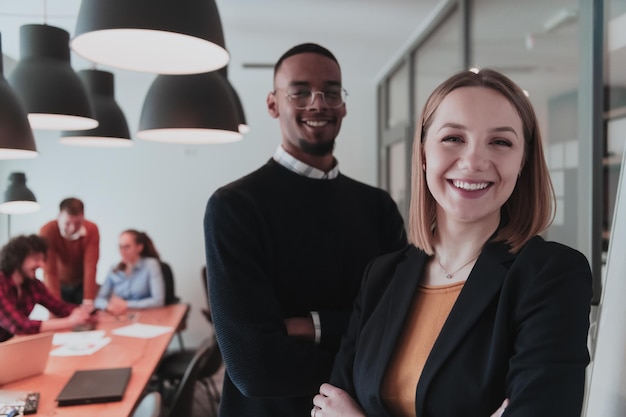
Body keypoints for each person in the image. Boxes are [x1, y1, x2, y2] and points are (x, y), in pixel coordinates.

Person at [311, 69, 593, 417]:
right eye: (453, 138)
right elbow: (328, 407)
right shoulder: (381, 277)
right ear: (424, 151)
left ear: (523, 161)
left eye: (501, 142)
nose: (474, 161)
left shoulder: (551, 275)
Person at [204, 43, 407, 417]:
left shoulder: (378, 208)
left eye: (331, 92)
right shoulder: (235, 207)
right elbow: (255, 368)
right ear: (272, 104)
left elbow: (401, 325)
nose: (318, 103)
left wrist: (309, 326)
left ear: (343, 106)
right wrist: (356, 339)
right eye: (299, 92)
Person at [0, 235, 95, 342]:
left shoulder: (33, 285)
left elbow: (59, 307)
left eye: (42, 260)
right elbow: (19, 325)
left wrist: (80, 311)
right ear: (18, 258)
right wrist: (70, 321)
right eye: (36, 259)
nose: (42, 265)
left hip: (13, 344)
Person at [39, 197, 100, 306]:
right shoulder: (47, 231)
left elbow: (91, 266)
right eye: (67, 223)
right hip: (58, 284)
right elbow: (50, 271)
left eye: (77, 223)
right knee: (60, 318)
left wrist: (88, 300)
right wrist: (56, 304)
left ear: (83, 217)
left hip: (82, 284)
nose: (72, 228)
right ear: (59, 217)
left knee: (87, 317)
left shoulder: (91, 229)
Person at [95, 230, 165, 315]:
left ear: (139, 247)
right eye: (120, 247)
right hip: (122, 316)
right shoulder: (114, 268)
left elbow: (158, 301)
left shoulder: (150, 265)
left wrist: (126, 304)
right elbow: (99, 299)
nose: (123, 251)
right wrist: (108, 306)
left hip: (145, 315)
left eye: (127, 247)